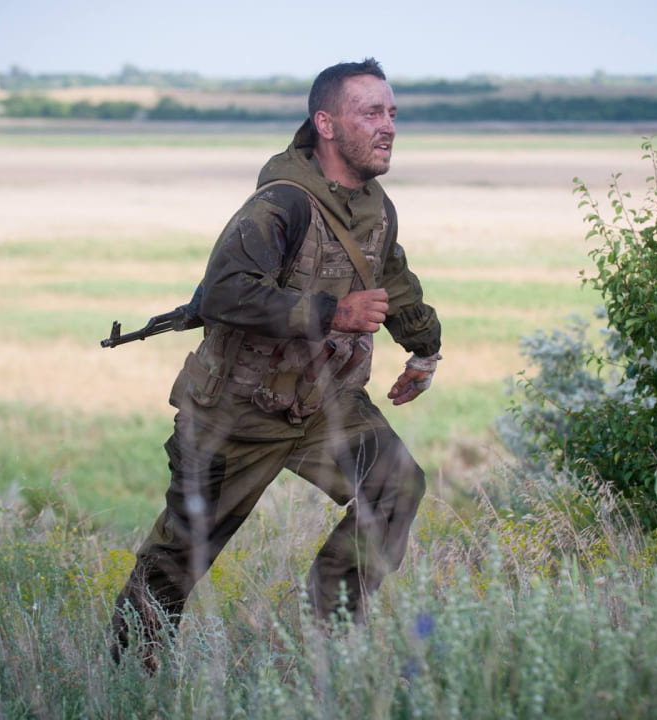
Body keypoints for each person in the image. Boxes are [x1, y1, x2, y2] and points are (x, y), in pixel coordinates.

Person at [109, 58, 442, 669]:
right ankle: (128, 681)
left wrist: (424, 349)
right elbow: (225, 292)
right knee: (179, 558)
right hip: (238, 411)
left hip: (324, 403)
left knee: (396, 487)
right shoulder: (282, 203)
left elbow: (393, 279)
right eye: (371, 112)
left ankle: (325, 641)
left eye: (392, 112)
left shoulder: (373, 206)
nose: (389, 125)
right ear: (327, 124)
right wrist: (333, 313)